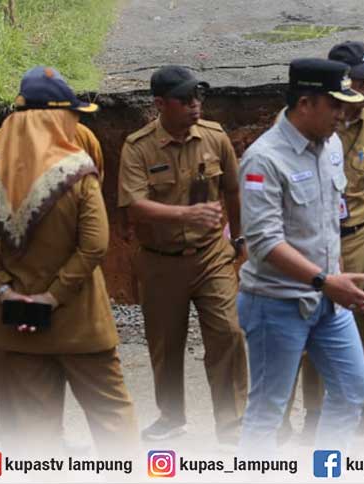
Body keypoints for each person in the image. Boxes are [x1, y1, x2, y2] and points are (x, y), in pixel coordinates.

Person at [0, 66, 139, 457]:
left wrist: (4, 291)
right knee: (112, 418)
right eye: (72, 113)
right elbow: (94, 243)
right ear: (56, 117)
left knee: (27, 434)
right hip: (81, 320)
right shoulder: (79, 166)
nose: (76, 120)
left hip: (14, 322)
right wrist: (53, 296)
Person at [237, 58, 364, 451]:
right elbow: (264, 242)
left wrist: (334, 278)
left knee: (352, 390)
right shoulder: (264, 158)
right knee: (268, 410)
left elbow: (329, 221)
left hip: (328, 301)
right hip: (276, 303)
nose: (342, 114)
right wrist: (325, 281)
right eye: (334, 105)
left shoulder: (331, 146)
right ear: (304, 103)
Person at [117, 65, 247, 446]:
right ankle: (172, 418)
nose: (195, 105)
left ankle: (233, 423)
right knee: (165, 343)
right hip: (160, 260)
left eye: (197, 98)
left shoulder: (214, 137)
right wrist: (185, 215)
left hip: (211, 255)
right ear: (160, 104)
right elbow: (134, 206)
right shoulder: (138, 148)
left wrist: (239, 238)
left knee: (229, 332)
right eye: (185, 100)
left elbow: (233, 189)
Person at [296, 41, 364, 435]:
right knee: (312, 325)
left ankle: (354, 410)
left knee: (361, 325)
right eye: (362, 81)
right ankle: (314, 414)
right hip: (311, 242)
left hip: (357, 240)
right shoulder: (306, 125)